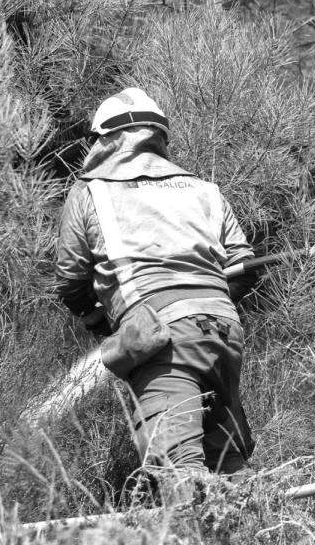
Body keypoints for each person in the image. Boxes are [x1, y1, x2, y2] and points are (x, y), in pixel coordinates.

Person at [55, 88, 258, 491]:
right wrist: (203, 303)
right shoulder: (204, 189)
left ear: (103, 140)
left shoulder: (90, 192)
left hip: (160, 337)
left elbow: (70, 278)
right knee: (228, 459)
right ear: (159, 137)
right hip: (222, 330)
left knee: (178, 467)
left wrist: (97, 320)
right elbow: (244, 266)